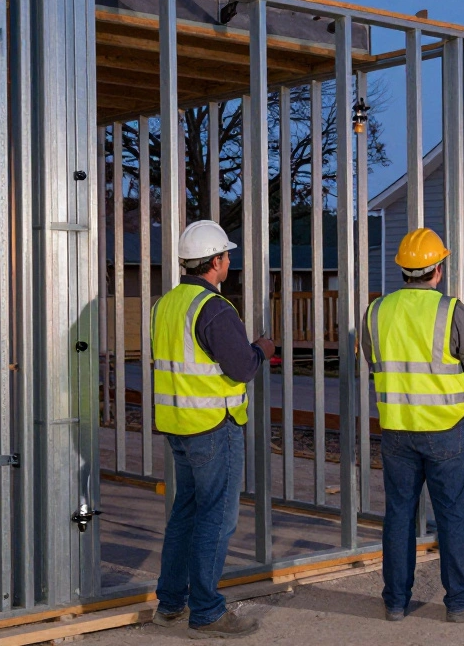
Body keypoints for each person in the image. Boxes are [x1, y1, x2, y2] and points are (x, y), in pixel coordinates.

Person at [362, 227, 464, 623]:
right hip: (445, 428)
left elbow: (374, 363)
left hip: (397, 430)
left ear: (403, 269)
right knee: (452, 513)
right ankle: (458, 602)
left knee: (399, 514)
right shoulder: (450, 310)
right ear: (437, 268)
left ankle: (396, 602)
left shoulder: (376, 311)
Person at [151, 220, 276, 639]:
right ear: (216, 262)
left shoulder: (165, 304)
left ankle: (170, 606)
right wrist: (262, 349)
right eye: (227, 256)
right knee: (217, 519)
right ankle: (206, 611)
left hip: (178, 426)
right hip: (212, 426)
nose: (229, 262)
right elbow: (240, 368)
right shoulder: (215, 309)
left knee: (184, 514)